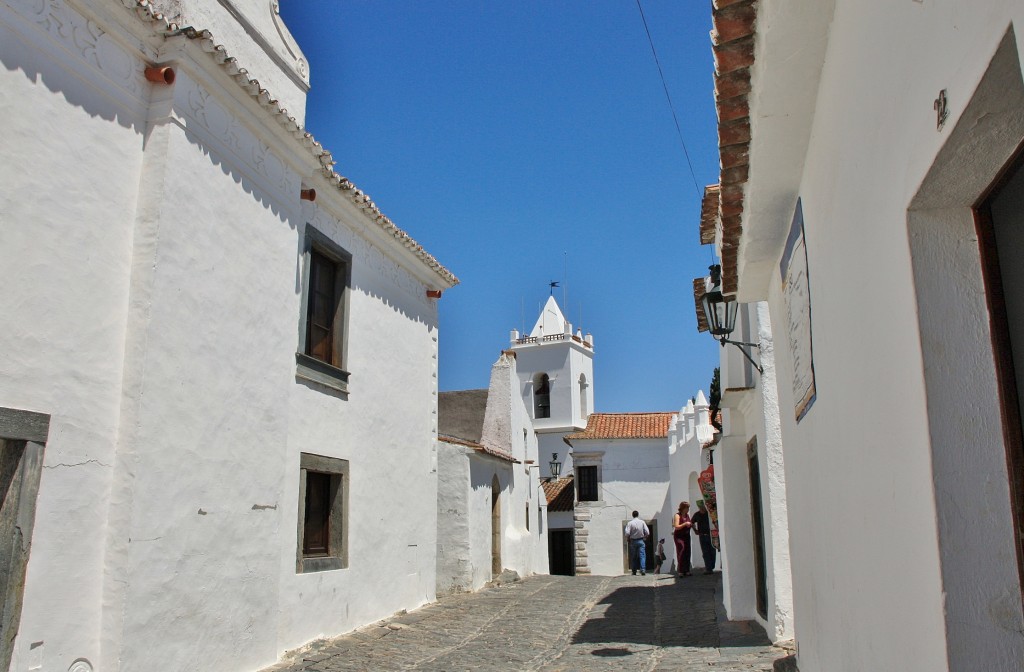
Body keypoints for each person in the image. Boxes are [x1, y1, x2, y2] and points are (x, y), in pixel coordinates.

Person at [692, 499, 717, 574]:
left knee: (713, 551)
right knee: (705, 552)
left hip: (711, 535)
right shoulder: (697, 514)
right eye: (700, 507)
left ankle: (711, 566)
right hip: (702, 536)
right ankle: (709, 569)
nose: (701, 508)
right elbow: (692, 522)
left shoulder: (709, 514)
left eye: (702, 506)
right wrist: (695, 530)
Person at [624, 510, 650, 575]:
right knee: (642, 556)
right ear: (638, 515)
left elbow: (627, 533)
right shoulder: (642, 522)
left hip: (633, 541)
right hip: (641, 540)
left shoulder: (630, 523)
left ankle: (634, 571)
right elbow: (647, 532)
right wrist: (645, 537)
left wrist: (628, 538)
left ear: (632, 515)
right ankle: (643, 570)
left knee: (633, 556)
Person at [672, 501, 693, 577]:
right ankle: (681, 570)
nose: (688, 509)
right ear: (683, 508)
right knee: (681, 550)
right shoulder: (677, 515)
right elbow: (676, 526)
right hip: (679, 536)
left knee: (687, 551)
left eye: (688, 508)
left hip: (686, 536)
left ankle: (687, 570)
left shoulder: (687, 516)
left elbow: (690, 523)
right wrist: (685, 524)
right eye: (687, 508)